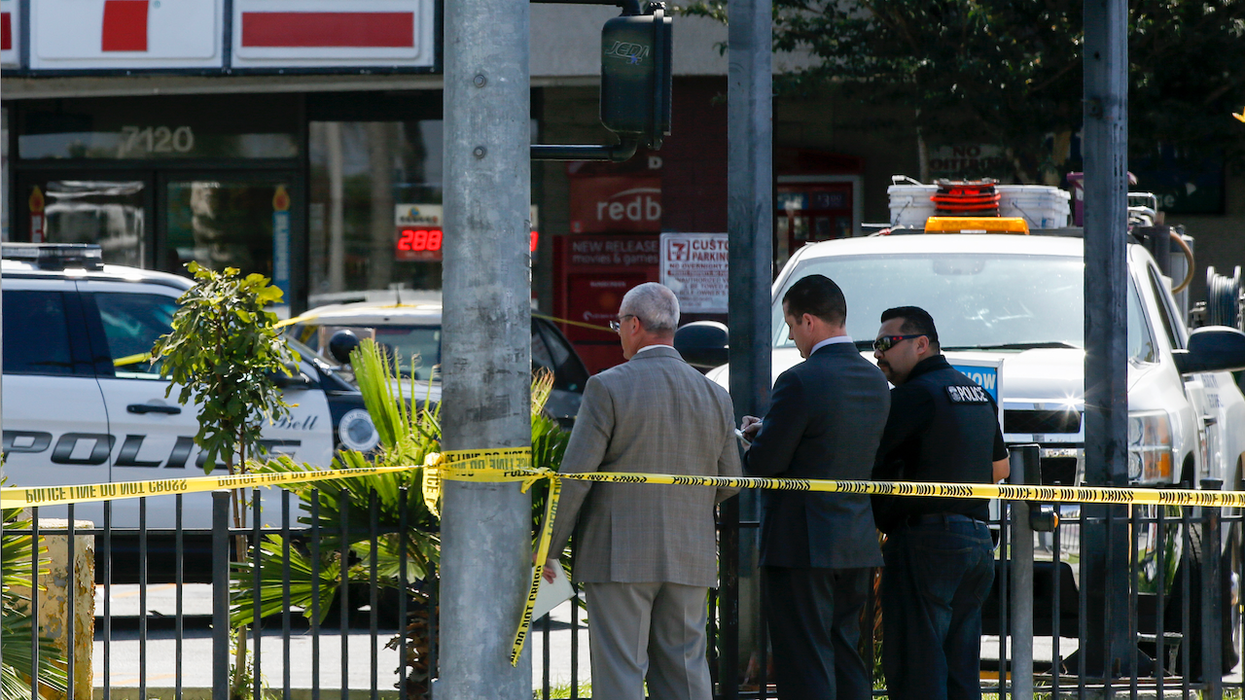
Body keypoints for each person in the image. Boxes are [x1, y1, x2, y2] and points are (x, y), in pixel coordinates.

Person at [543, 282, 741, 700]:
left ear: (634, 325)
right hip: (690, 552)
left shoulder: (607, 387)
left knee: (621, 674)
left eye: (618, 323)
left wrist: (550, 547)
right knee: (686, 673)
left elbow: (576, 476)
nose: (618, 332)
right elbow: (728, 479)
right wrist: (686, 507)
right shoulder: (715, 394)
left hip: (619, 555)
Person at [739, 274, 891, 700]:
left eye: (790, 327)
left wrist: (757, 438)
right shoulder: (875, 380)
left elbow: (765, 465)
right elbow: (834, 442)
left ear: (808, 321)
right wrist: (773, 428)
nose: (792, 337)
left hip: (801, 544)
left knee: (804, 659)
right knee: (847, 655)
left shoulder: (798, 379)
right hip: (856, 541)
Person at [870, 306, 1010, 700]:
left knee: (918, 669)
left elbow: (868, 458)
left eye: (885, 343)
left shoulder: (911, 396)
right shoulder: (976, 392)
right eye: (875, 344)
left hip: (925, 543)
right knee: (960, 672)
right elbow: (1001, 469)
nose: (877, 353)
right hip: (977, 543)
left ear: (920, 344)